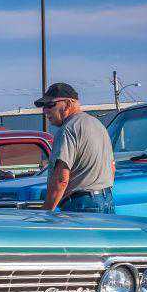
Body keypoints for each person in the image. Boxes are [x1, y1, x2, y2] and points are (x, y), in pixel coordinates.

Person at [35, 83, 115, 213]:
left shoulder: (67, 129)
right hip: (107, 199)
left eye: (50, 105)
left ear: (67, 104)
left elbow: (61, 180)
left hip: (81, 204)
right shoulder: (98, 125)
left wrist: (46, 211)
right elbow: (112, 167)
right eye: (44, 107)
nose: (45, 111)